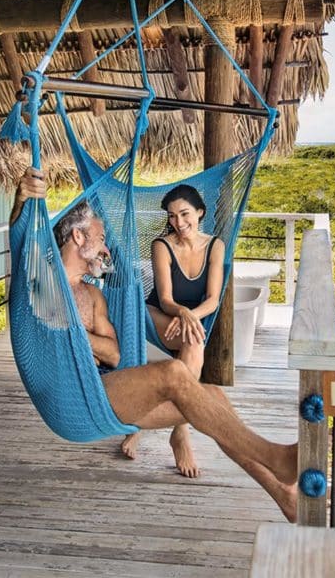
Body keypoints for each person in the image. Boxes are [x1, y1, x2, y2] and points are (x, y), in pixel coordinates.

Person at [12, 168, 297, 521]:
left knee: (215, 397)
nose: (105, 248)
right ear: (77, 237)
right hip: (67, 399)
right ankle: (277, 458)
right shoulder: (41, 280)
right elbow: (21, 239)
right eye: (100, 238)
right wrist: (22, 199)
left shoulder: (94, 297)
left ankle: (283, 494)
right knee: (173, 372)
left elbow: (115, 354)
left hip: (102, 395)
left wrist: (76, 337)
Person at [120, 185, 225, 477]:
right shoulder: (161, 246)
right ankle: (180, 432)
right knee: (193, 341)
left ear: (200, 212)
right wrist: (182, 313)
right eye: (172, 216)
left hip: (192, 318)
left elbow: (213, 299)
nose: (179, 223)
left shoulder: (215, 245)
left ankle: (152, 424)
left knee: (192, 345)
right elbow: (165, 298)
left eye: (185, 214)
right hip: (158, 315)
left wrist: (191, 316)